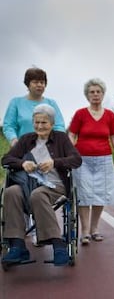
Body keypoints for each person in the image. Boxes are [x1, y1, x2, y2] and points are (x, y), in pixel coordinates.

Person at [1, 104, 82, 266]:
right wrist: (23, 163)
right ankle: (17, 246)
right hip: (27, 184)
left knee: (38, 194)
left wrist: (54, 162)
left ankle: (58, 245)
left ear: (52, 123)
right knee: (11, 192)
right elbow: (6, 159)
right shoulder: (26, 140)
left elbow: (76, 160)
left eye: (44, 123)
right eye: (36, 122)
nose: (39, 126)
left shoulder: (61, 138)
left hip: (54, 186)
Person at [2, 67, 66, 247]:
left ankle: (41, 229)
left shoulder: (51, 103)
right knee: (19, 188)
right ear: (28, 84)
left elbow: (59, 125)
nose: (40, 85)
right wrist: (14, 141)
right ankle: (18, 233)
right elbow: (8, 124)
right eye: (36, 81)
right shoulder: (16, 102)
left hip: (46, 151)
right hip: (23, 151)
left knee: (42, 188)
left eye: (42, 82)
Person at [68, 78, 114, 245]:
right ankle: (84, 231)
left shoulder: (110, 115)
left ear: (103, 94)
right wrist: (71, 152)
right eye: (92, 92)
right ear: (87, 95)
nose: (95, 95)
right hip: (82, 160)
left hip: (104, 159)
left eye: (98, 92)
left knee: (101, 194)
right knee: (84, 195)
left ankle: (94, 229)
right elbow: (71, 134)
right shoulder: (80, 114)